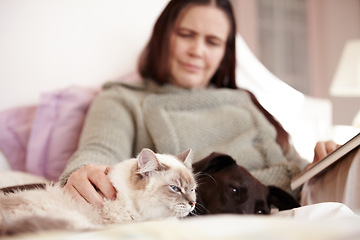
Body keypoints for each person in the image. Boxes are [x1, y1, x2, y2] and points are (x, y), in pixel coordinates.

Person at [59, 0, 339, 208]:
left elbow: (297, 170)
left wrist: (323, 165)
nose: (197, 51)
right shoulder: (122, 98)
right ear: (163, 36)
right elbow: (98, 153)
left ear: (224, 53)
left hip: (289, 207)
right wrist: (82, 173)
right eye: (186, 35)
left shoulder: (245, 101)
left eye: (213, 42)